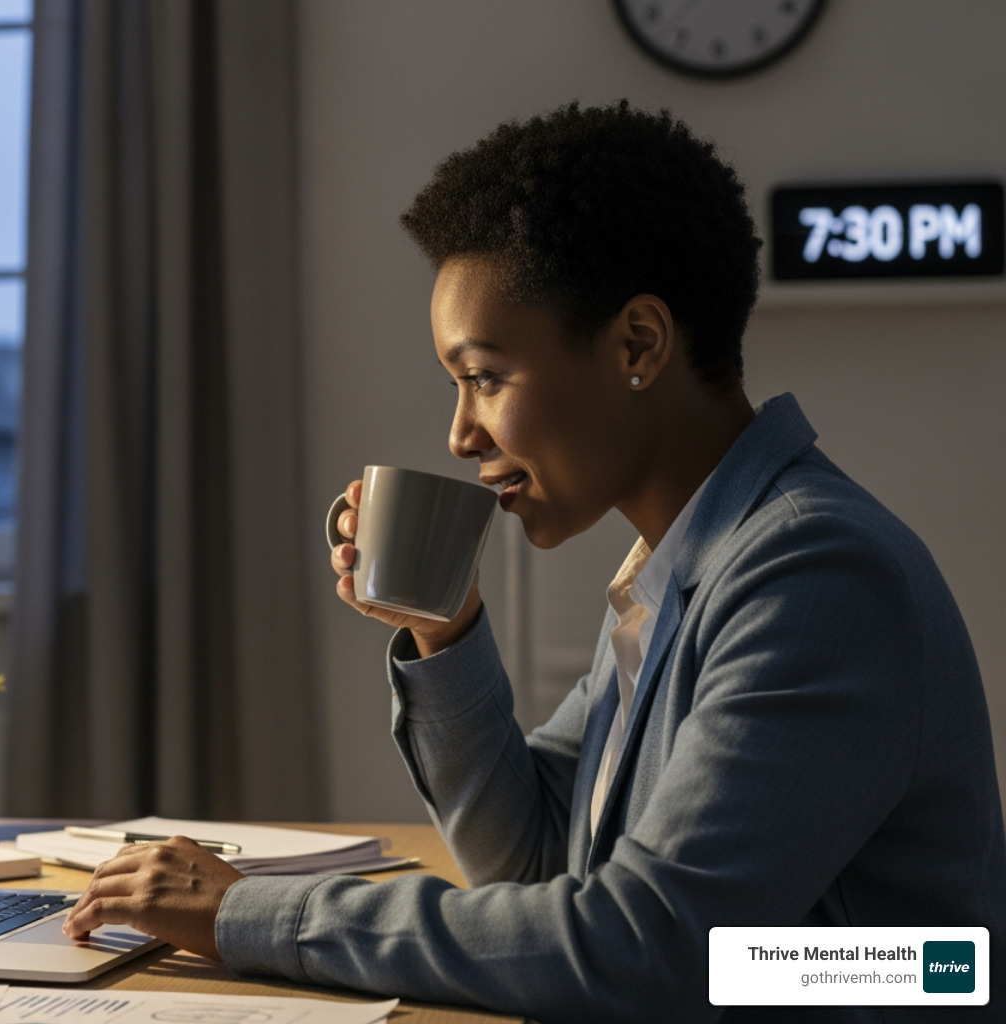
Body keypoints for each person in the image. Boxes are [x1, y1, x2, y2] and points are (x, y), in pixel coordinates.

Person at [60, 102, 1006, 1022]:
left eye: (484, 377)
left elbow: (654, 951)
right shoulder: (682, 564)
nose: (462, 431)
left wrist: (248, 913)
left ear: (638, 344)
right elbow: (541, 861)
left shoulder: (811, 574)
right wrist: (444, 628)